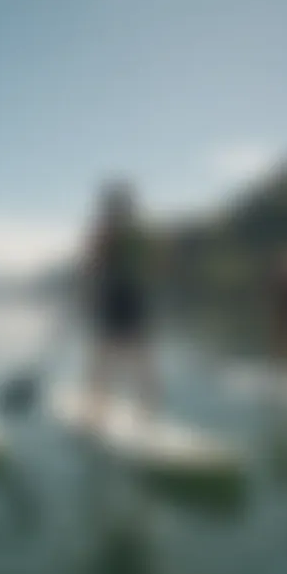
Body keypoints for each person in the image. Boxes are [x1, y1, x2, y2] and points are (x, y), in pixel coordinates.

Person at [83, 181, 159, 429]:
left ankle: (97, 413)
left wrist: (88, 290)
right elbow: (151, 263)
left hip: (114, 295)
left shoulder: (106, 230)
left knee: (104, 355)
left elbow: (94, 263)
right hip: (138, 295)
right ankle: (147, 411)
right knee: (140, 354)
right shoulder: (141, 232)